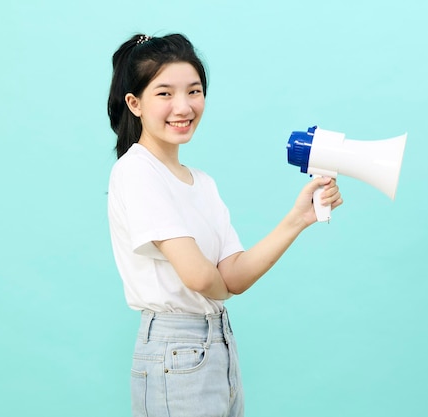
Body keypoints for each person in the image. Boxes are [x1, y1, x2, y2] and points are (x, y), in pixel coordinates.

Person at [106, 33, 342, 417]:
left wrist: (298, 219)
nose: (183, 106)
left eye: (194, 91)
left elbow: (233, 274)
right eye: (164, 93)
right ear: (135, 103)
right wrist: (220, 289)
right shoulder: (136, 170)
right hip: (175, 349)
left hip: (216, 345)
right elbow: (202, 278)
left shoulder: (202, 183)